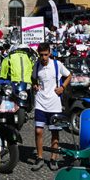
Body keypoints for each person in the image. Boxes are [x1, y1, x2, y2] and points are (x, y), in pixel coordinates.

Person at [31, 42, 71, 171]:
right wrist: (35, 85)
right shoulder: (36, 65)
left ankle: (53, 159)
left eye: (46, 55)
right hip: (40, 102)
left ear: (50, 53)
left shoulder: (57, 64)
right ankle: (40, 157)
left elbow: (69, 75)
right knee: (38, 131)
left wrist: (62, 87)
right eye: (41, 55)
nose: (43, 58)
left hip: (54, 103)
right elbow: (33, 79)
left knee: (54, 132)